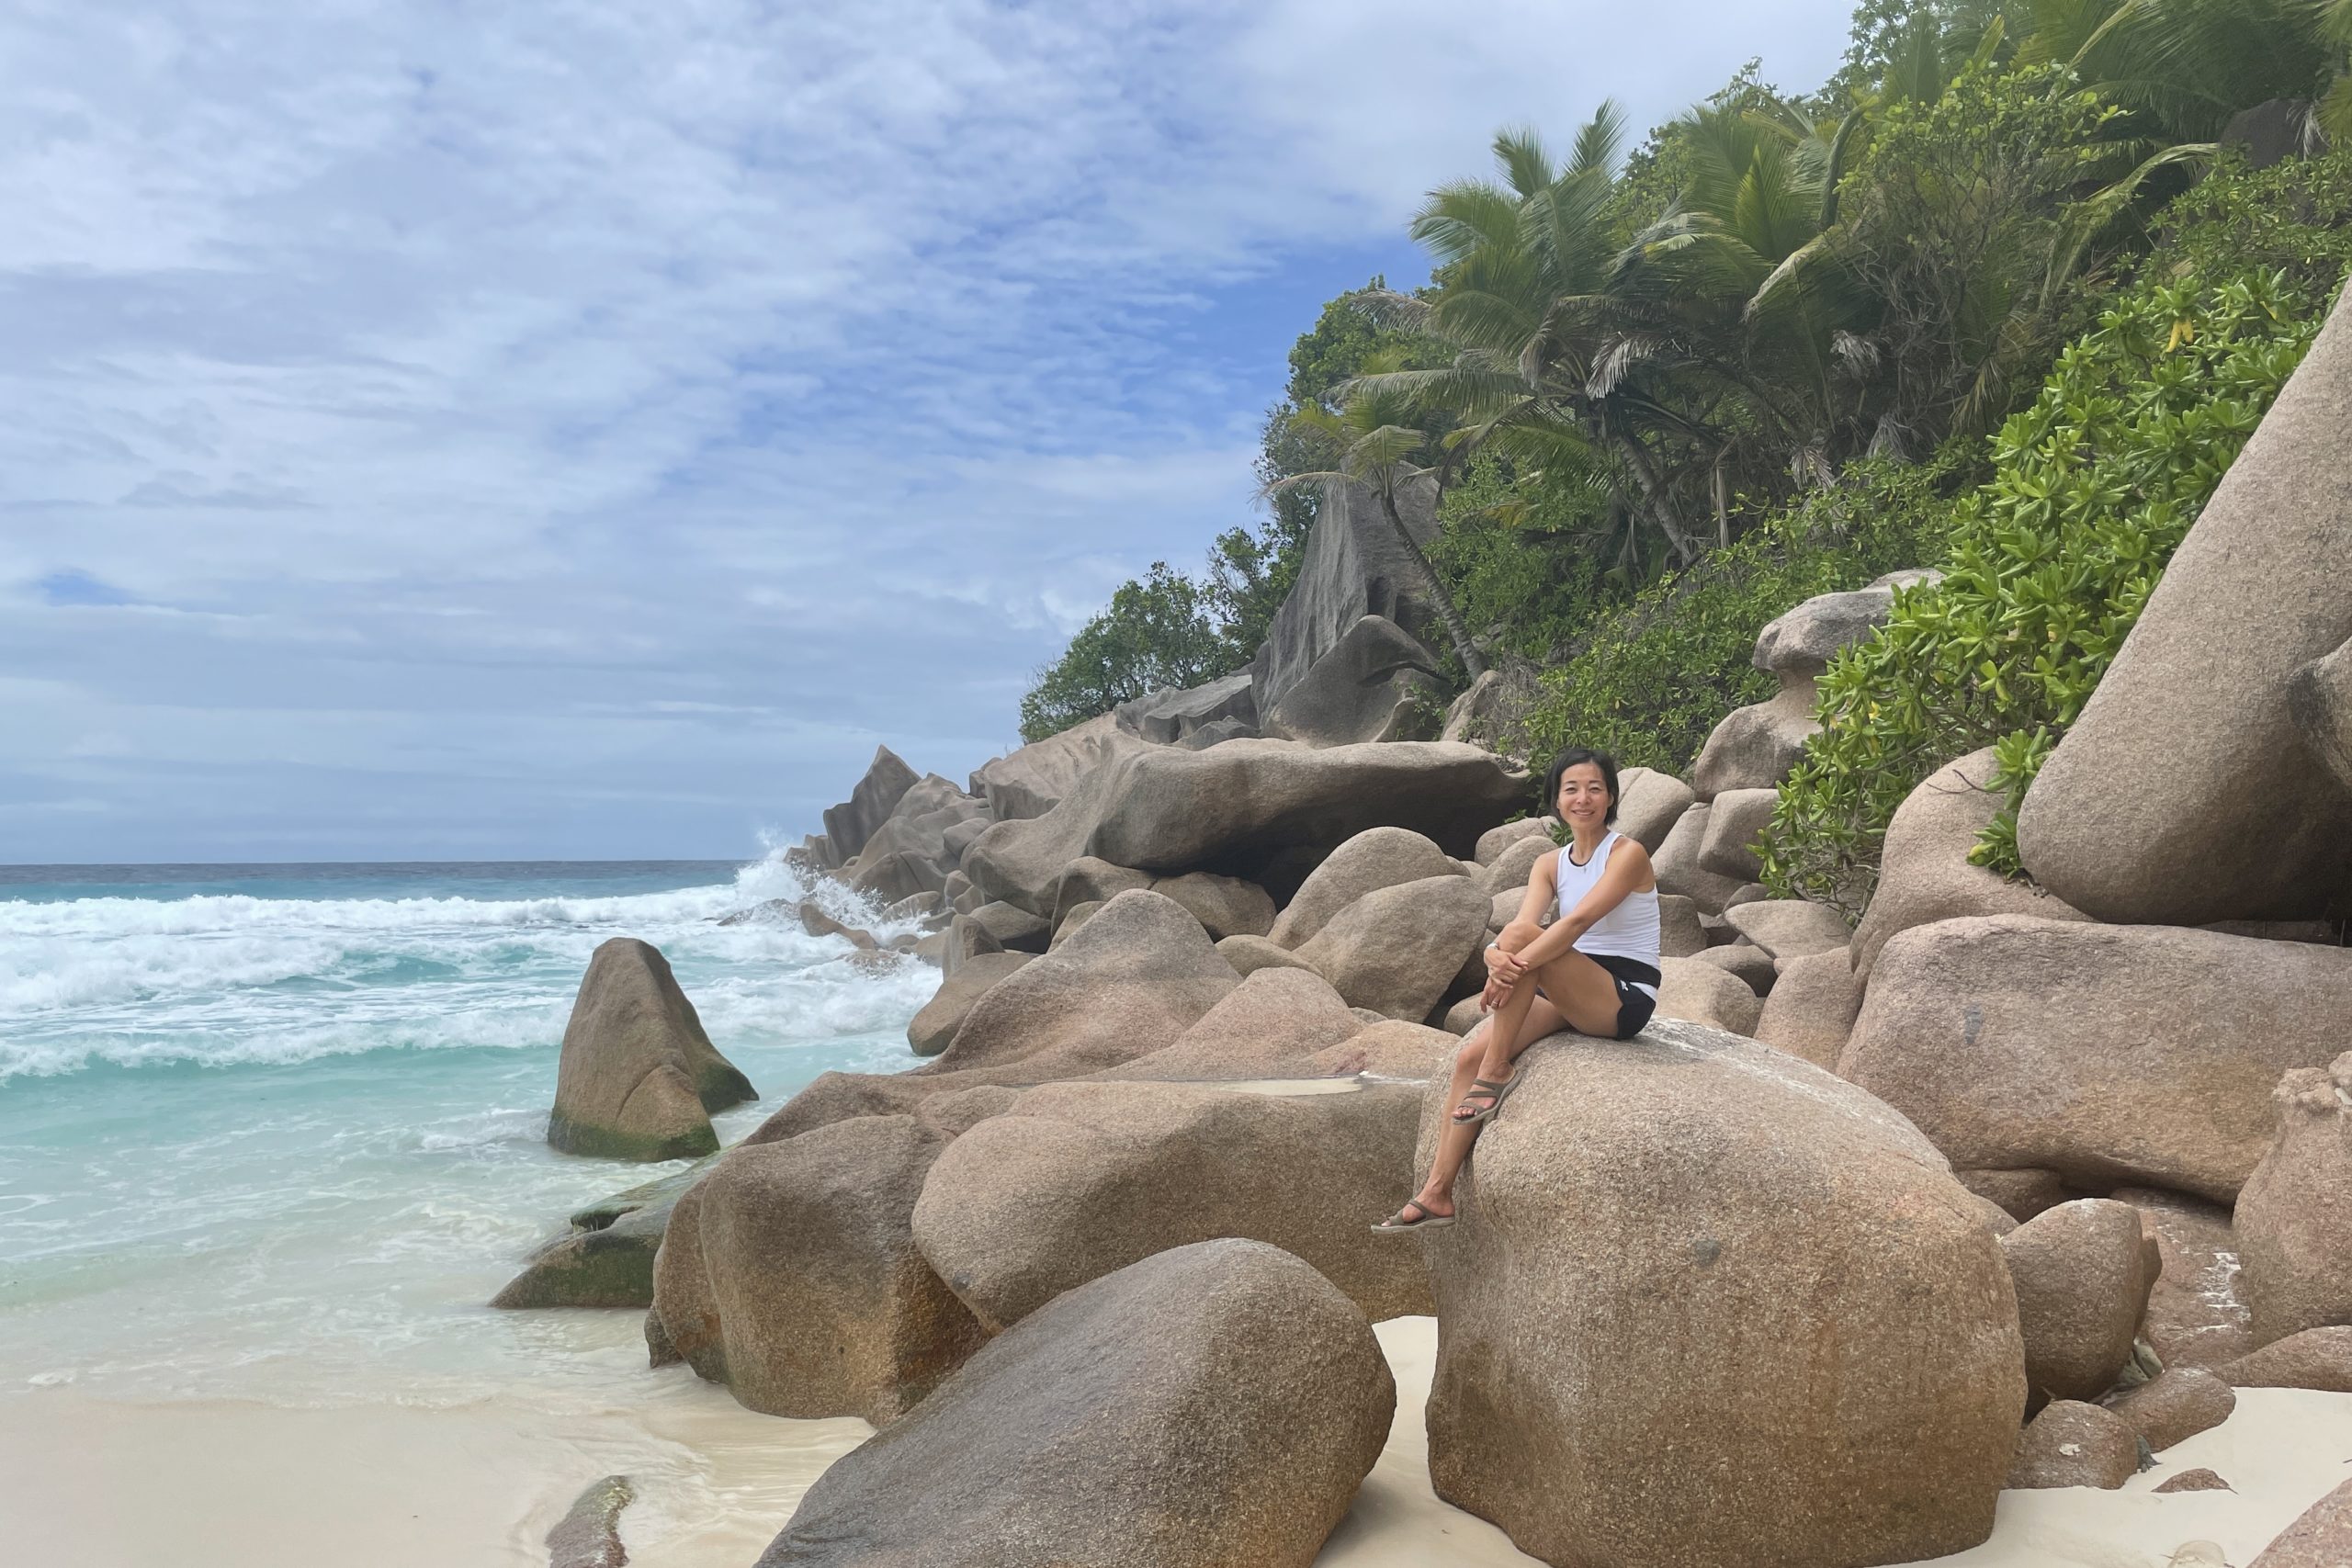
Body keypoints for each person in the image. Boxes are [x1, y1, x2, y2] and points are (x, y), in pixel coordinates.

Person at [1373, 748, 1661, 1233]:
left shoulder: (1627, 854)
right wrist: (1495, 957)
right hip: (1568, 986)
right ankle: (1437, 1193)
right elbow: (1520, 928)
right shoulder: (1549, 863)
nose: (1583, 798)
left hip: (1621, 995)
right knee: (1467, 1056)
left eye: (1595, 788)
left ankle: (1497, 1069)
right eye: (1571, 789)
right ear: (1556, 800)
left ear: (1611, 797)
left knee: (1524, 946)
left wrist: (1509, 964)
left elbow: (1576, 923)